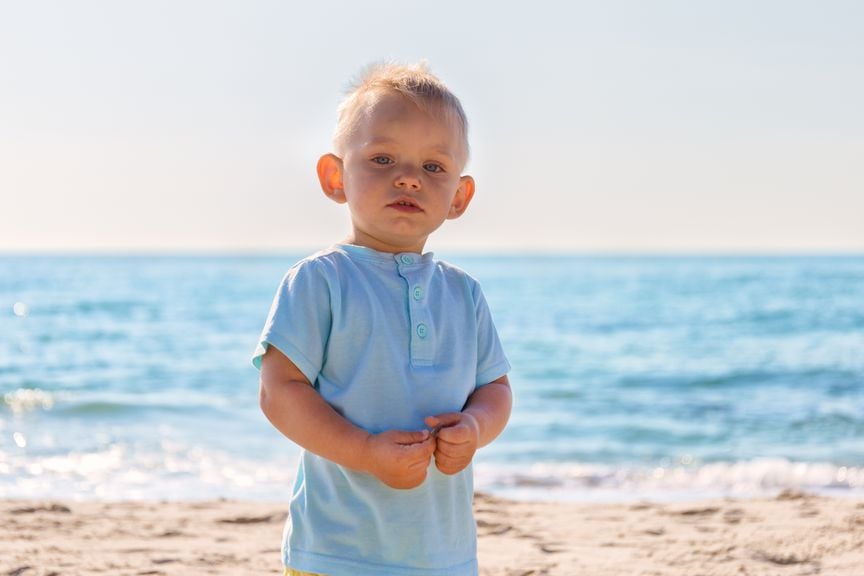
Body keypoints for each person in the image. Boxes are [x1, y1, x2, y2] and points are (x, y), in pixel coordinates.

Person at [253, 62, 512, 576]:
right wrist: (366, 452)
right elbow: (279, 391)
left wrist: (476, 427)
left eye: (434, 167)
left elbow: (495, 388)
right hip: (335, 550)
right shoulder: (320, 280)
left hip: (443, 554)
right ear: (335, 177)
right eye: (383, 157)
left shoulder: (464, 293)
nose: (409, 176)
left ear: (459, 196)